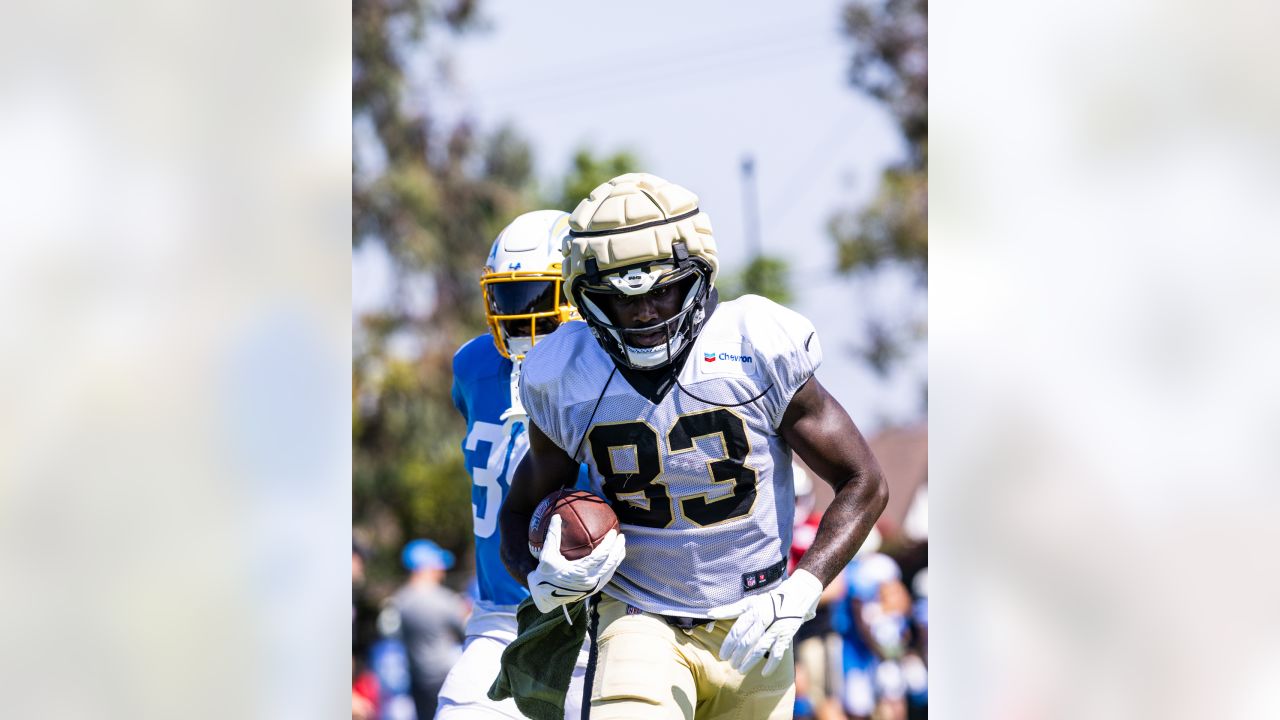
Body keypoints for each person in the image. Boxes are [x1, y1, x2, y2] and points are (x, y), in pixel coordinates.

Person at [498, 173, 888, 719]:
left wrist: (803, 588)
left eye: (662, 289)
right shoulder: (565, 373)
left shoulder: (754, 345)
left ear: (697, 278)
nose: (646, 312)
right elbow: (517, 512)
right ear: (588, 300)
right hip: (640, 617)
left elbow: (863, 481)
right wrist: (540, 577)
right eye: (620, 298)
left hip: (757, 624)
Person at [437, 209, 590, 719]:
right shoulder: (474, 366)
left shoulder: (603, 369)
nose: (520, 315)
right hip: (502, 615)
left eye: (538, 298)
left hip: (601, 619)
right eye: (509, 296)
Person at [391, 539, 468, 720]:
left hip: (418, 680)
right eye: (438, 565)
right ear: (426, 567)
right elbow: (466, 632)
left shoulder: (400, 601)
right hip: (447, 676)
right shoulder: (445, 600)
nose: (441, 570)